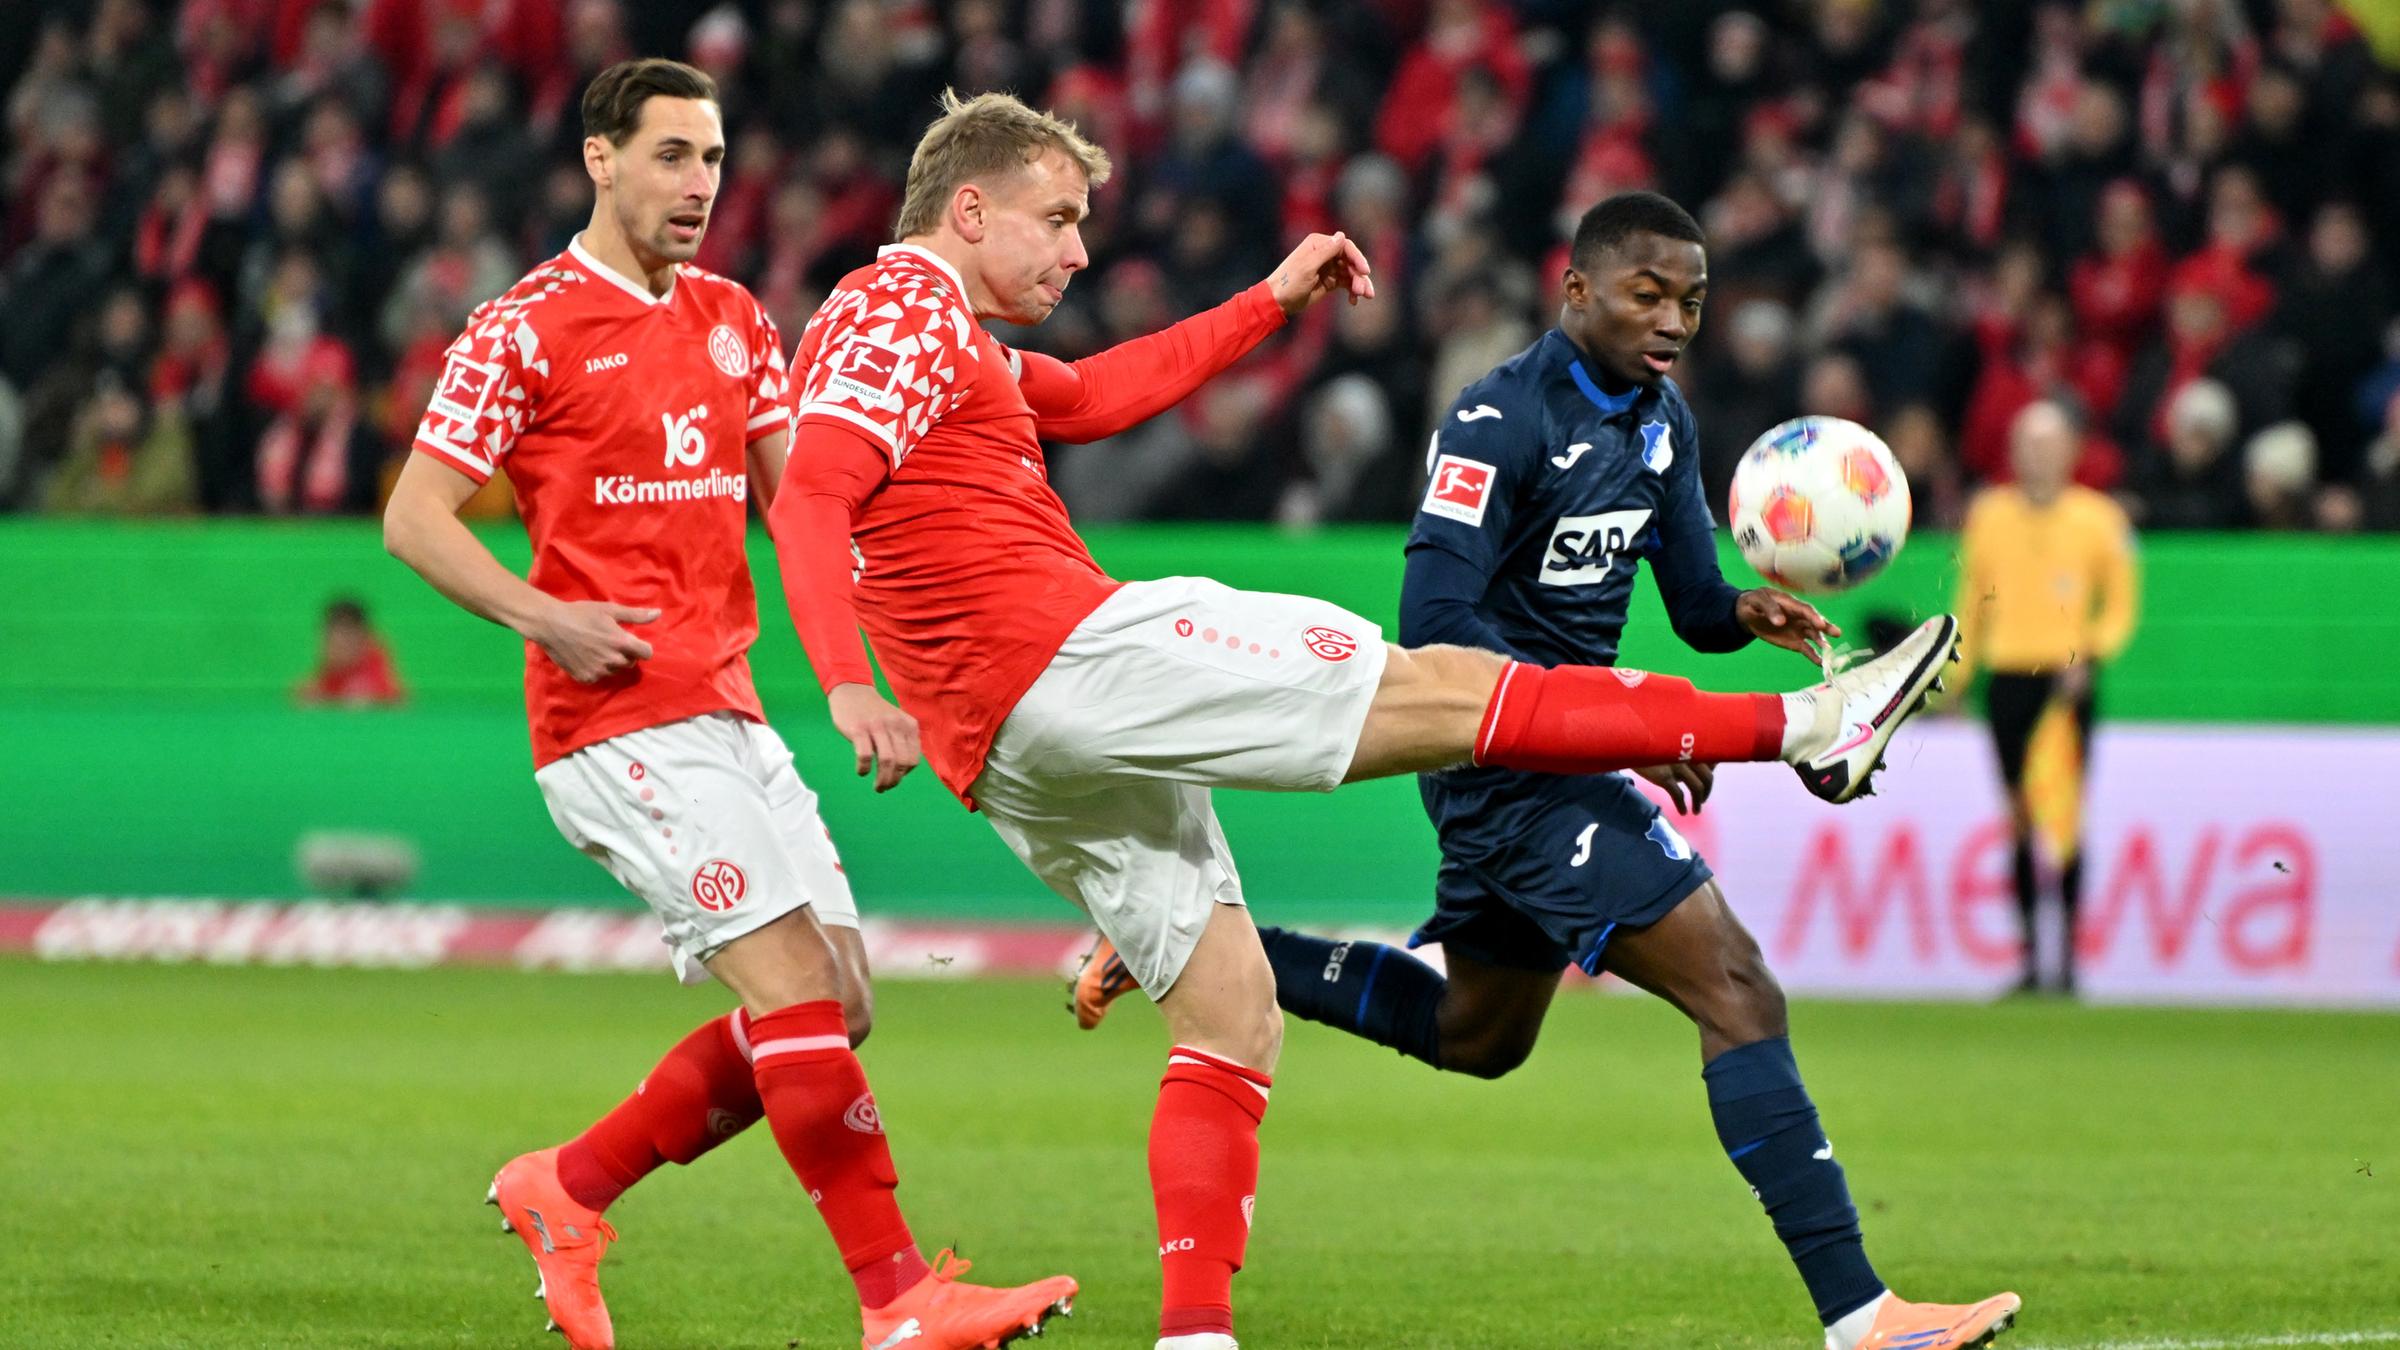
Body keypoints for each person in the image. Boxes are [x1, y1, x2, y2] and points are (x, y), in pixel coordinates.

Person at [770, 96, 1958, 1350]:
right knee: (1436, 686)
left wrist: (1268, 303)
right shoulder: (894, 306)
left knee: (1233, 1015)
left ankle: (1196, 1338)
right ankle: (1806, 728)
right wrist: (848, 683)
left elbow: (1098, 394)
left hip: (1005, 743)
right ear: (969, 209)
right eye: (1058, 220)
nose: (1077, 252)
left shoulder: (951, 341)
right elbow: (810, 497)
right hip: (1061, 651)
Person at [1075, 191, 2022, 1350]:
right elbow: (1436, 621)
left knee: (1483, 1034)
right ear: (1577, 292)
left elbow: (1685, 605)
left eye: (1693, 300)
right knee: (1737, 990)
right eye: (1647, 293)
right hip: (1497, 761)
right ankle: (1864, 1317)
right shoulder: (1496, 419)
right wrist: (1616, 728)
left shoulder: (1664, 422)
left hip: (1563, 754)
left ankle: (1200, 949)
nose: (1673, 318)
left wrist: (1741, 612)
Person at [380, 59, 1073, 1350]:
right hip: (615, 722)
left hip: (732, 710)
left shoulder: (735, 317)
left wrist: (900, 643)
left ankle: (567, 1186)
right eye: (671, 156)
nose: (700, 185)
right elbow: (413, 519)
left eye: (711, 160)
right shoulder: (520, 326)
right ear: (601, 158)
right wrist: (545, 614)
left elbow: (802, 501)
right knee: (800, 996)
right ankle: (898, 1299)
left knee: (843, 1001)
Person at [1954, 399, 2140, 995]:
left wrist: (2091, 651)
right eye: (2026, 443)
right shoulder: (1988, 515)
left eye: (2049, 442)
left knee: (2064, 817)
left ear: (2071, 450)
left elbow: (2120, 605)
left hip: (2065, 680)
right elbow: (1971, 599)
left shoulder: (2099, 518)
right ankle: (2034, 960)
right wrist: (1957, 680)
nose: (2037, 454)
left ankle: (2070, 965)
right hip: (2008, 676)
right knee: (2017, 819)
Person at [295, 595, 405, 705]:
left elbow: (397, 701)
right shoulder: (331, 671)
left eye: (346, 637)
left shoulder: (374, 674)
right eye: (331, 638)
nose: (338, 646)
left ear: (364, 639)